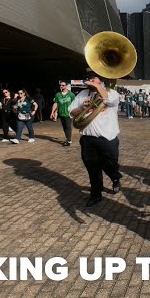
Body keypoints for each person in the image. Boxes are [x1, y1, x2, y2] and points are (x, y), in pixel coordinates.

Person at [69, 69, 123, 206]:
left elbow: (108, 100)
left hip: (108, 138)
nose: (90, 80)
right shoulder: (82, 94)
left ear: (102, 80)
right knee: (93, 168)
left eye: (94, 78)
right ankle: (96, 194)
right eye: (89, 78)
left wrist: (99, 86)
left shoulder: (112, 93)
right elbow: (71, 112)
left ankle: (115, 178)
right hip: (88, 139)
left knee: (110, 164)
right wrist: (82, 108)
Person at [50, 81, 76, 147]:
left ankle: (69, 140)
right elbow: (55, 103)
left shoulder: (71, 95)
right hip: (61, 114)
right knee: (64, 127)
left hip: (69, 113)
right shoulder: (58, 94)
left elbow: (75, 104)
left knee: (68, 127)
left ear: (66, 86)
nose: (61, 86)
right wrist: (52, 112)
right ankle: (68, 138)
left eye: (63, 85)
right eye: (61, 85)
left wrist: (75, 112)